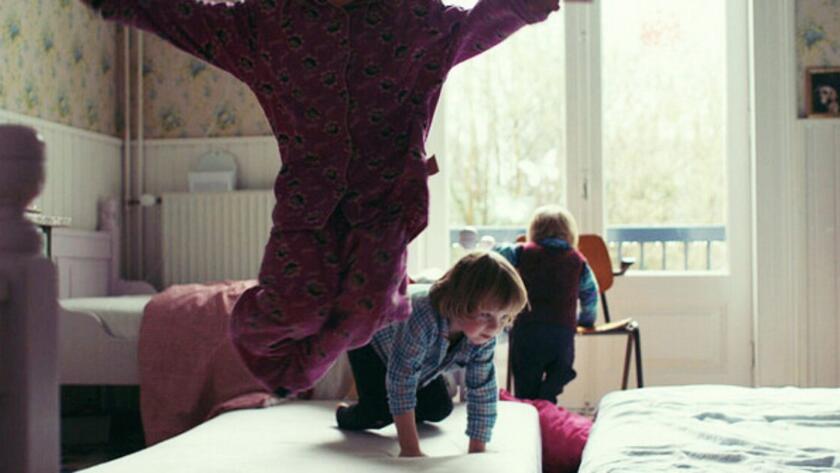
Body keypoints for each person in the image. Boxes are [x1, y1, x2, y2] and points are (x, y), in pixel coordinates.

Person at [79, 0, 586, 395]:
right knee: (295, 310)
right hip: (308, 205)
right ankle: (281, 364)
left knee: (367, 312)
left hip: (384, 207)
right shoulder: (271, 25)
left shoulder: (415, 21)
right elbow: (188, 20)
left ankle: (298, 372)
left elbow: (483, 20)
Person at [336, 251, 528, 456]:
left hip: (417, 360)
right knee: (379, 412)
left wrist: (477, 450)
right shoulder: (421, 315)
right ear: (460, 301)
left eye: (504, 317)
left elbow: (483, 390)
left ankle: (406, 411)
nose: (495, 327)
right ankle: (344, 414)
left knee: (440, 409)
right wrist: (411, 449)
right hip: (370, 343)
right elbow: (401, 381)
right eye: (486, 314)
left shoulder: (484, 334)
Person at [495, 205, 598, 402]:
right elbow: (590, 293)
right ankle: (548, 396)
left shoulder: (523, 252)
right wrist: (586, 319)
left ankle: (531, 409)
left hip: (527, 330)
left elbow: (495, 256)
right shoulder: (578, 260)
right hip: (562, 332)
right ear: (570, 233)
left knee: (525, 380)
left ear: (534, 230)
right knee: (560, 370)